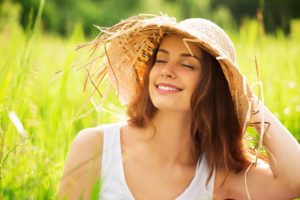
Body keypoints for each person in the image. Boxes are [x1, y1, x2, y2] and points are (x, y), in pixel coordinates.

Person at [58, 14, 300, 199]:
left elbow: (294, 181)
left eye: (187, 65)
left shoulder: (217, 176)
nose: (166, 71)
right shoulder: (96, 148)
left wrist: (247, 100)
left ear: (210, 86)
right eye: (161, 59)